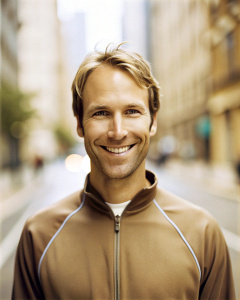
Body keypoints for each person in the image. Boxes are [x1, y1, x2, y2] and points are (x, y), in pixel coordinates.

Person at [12, 43, 236, 300]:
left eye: (132, 111)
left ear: (153, 121)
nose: (117, 132)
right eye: (101, 113)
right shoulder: (38, 235)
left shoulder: (202, 232)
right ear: (79, 124)